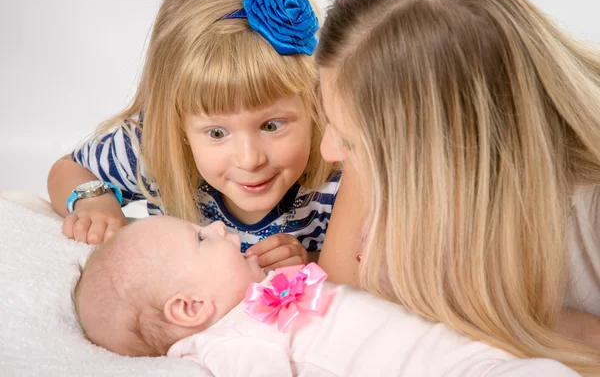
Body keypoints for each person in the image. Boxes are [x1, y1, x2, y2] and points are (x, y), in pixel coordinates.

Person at [315, 0, 600, 374]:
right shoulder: (382, 144)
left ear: (446, 154)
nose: (328, 150)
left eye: (348, 140)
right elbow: (335, 309)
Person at [46, 0, 340, 271]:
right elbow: (68, 169)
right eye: (216, 132)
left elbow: (365, 268)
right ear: (178, 125)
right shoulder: (153, 148)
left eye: (271, 126)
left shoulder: (339, 176)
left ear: (315, 104)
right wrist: (94, 201)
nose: (250, 159)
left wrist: (312, 261)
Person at [72, 215, 579, 376]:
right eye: (202, 239)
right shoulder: (230, 342)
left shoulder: (257, 295)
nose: (219, 228)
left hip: (457, 350)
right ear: (190, 308)